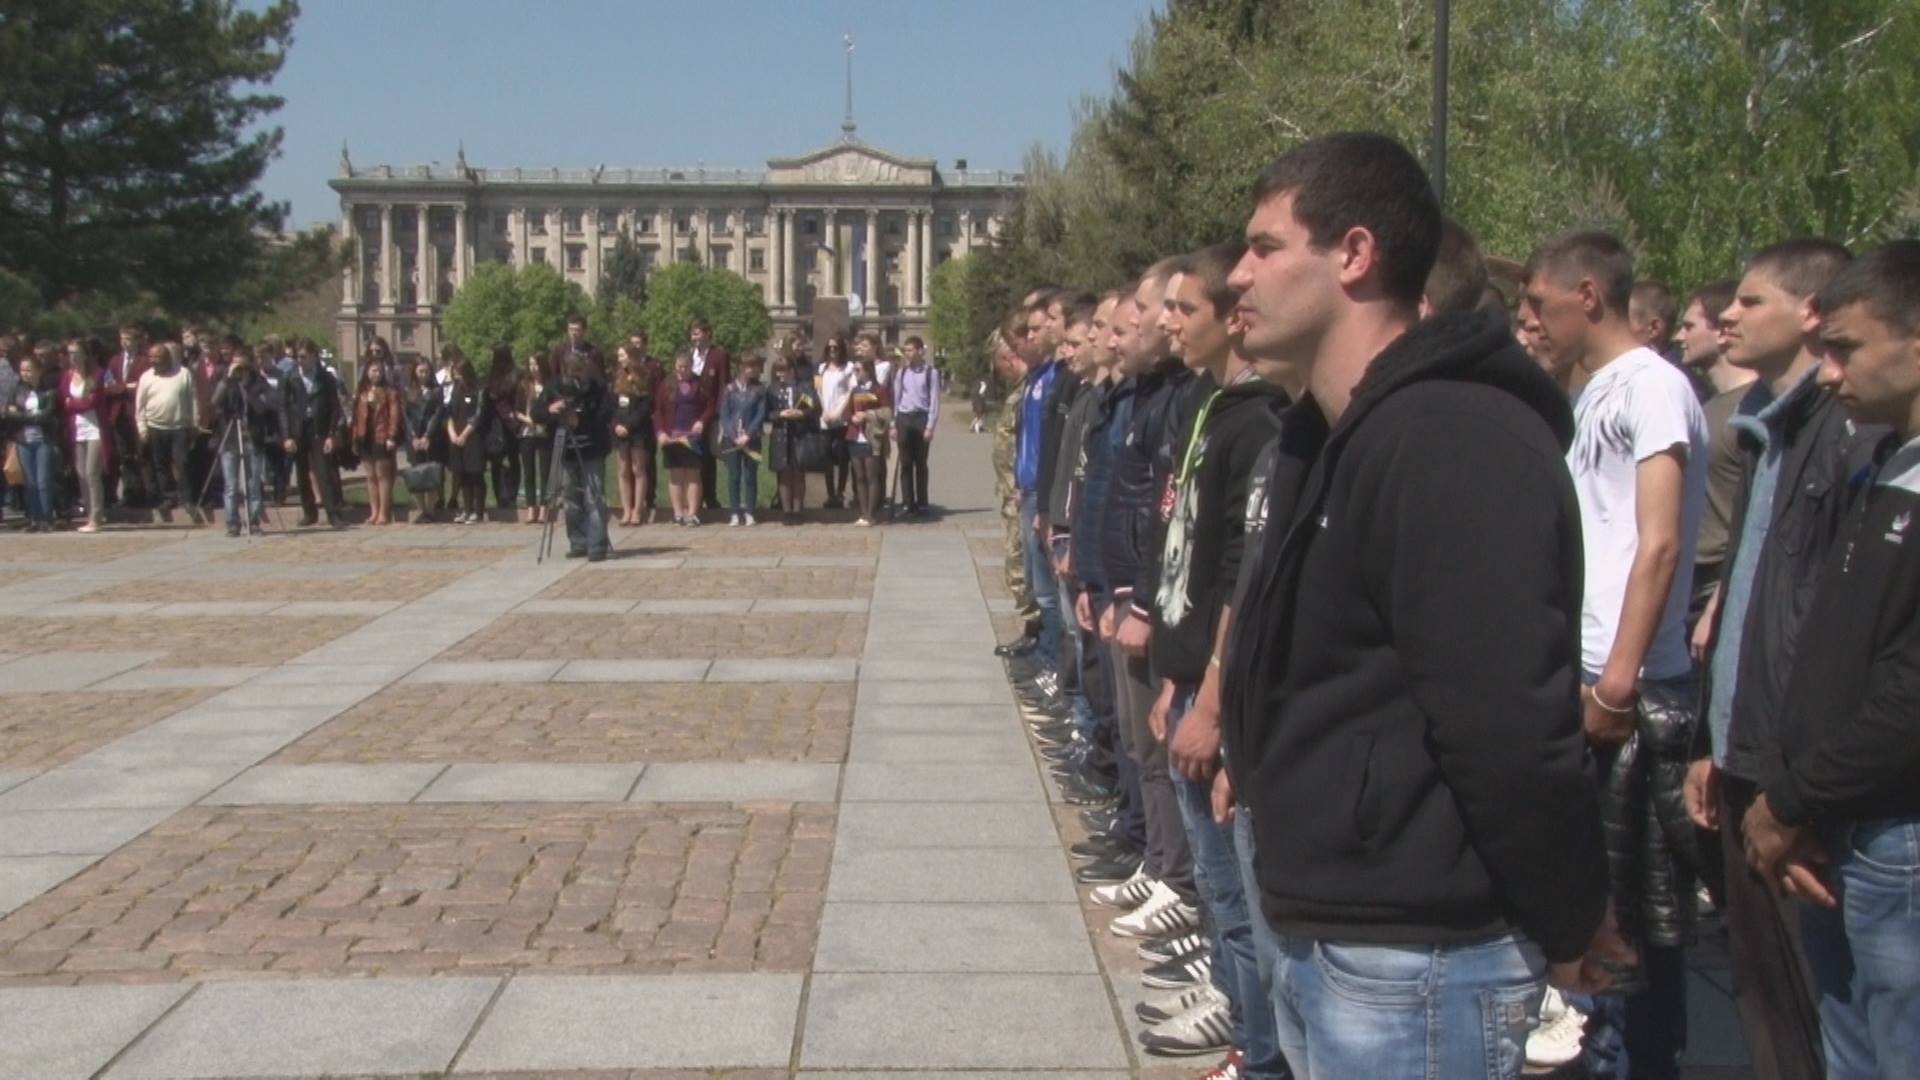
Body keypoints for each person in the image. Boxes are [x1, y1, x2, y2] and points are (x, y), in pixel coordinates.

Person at [1220, 133, 1621, 1080]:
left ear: (1354, 255)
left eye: (1266, 247)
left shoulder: (1449, 435)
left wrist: (1568, 913)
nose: (1238, 274)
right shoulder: (1327, 435)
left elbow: (1508, 723)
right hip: (1332, 931)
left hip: (1419, 960)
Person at [1527, 229, 1708, 1080]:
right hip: (1586, 673)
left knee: (1638, 913)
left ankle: (1637, 1063)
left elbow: (1660, 541)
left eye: (1539, 305)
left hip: (1628, 686)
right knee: (1599, 903)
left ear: (1589, 297)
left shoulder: (1656, 386)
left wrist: (1621, 677)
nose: (1532, 322)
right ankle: (1602, 1049)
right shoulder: (1592, 393)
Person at [1684, 240, 1863, 1080]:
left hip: (1796, 779)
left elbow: (1826, 624)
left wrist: (1795, 785)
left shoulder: (1844, 436)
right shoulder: (1763, 428)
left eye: (1751, 303)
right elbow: (1749, 595)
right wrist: (1713, 747)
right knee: (1764, 1000)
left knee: (1825, 1015)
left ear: (1812, 313)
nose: (1728, 316)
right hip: (1743, 754)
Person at [1745, 240, 1920, 1080]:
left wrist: (1793, 797)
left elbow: (1908, 701)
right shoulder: (1882, 461)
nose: (1829, 371)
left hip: (1896, 840)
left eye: (1846, 347)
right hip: (1837, 829)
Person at [1139, 242, 1293, 1070]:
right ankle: (1245, 1030)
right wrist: (1175, 673)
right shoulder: (1209, 406)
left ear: (1228, 320)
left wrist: (1207, 693)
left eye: (1182, 309)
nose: (1168, 323)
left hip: (1217, 692)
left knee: (1242, 902)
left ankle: (1261, 1053)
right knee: (1221, 892)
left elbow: (1238, 568)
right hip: (1190, 672)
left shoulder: (1258, 417)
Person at [1676, 278, 1752, 632]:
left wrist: (1720, 599)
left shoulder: (1751, 412)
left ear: (1722, 331)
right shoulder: (1707, 406)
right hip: (1689, 576)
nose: (1680, 337)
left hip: (1718, 581)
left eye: (1689, 326)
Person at [542, 350, 612, 561]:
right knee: (571, 498)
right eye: (572, 372)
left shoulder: (597, 387)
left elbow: (606, 413)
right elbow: (537, 412)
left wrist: (581, 421)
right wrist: (552, 409)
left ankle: (597, 544)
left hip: (591, 448)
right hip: (566, 450)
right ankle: (578, 541)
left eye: (580, 371)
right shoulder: (554, 386)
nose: (576, 376)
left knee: (594, 495)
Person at [210, 348, 281, 536]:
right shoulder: (226, 381)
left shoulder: (259, 382)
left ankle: (254, 520)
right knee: (231, 485)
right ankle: (232, 523)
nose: (240, 366)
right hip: (230, 437)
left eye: (243, 362)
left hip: (252, 437)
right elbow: (215, 401)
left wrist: (250, 392)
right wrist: (228, 379)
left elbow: (272, 402)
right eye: (236, 361)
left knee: (253, 483)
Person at [280, 340, 347, 528]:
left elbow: (334, 407)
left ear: (313, 357)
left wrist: (331, 434)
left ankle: (334, 514)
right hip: (298, 429)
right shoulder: (290, 377)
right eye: (297, 357)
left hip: (319, 428)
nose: (300, 361)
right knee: (302, 474)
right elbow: (283, 408)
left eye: (303, 357)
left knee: (324, 472)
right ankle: (309, 512)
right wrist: (287, 436)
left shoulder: (325, 378)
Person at [134, 342, 197, 517]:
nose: (153, 361)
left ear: (168, 358)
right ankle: (168, 497)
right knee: (160, 465)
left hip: (179, 426)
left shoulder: (183, 374)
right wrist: (142, 428)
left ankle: (187, 499)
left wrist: (195, 423)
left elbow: (193, 400)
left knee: (182, 462)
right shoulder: (146, 377)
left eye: (158, 357)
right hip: (155, 426)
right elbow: (140, 406)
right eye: (151, 357)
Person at [656, 351, 713, 527]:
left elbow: (710, 406)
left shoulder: (700, 384)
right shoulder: (666, 384)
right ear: (675, 366)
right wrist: (660, 432)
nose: (682, 370)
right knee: (676, 475)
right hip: (672, 436)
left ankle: (693, 513)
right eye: (679, 367)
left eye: (685, 367)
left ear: (691, 366)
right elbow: (657, 411)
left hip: (692, 437)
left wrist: (702, 422)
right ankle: (678, 513)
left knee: (693, 475)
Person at [60, 340, 110, 533]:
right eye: (70, 352)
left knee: (92, 473)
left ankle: (97, 516)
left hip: (95, 429)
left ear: (85, 354)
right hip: (77, 430)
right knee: (81, 474)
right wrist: (74, 403)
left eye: (77, 352)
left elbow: (92, 402)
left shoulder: (96, 375)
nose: (73, 356)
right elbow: (62, 400)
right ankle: (89, 513)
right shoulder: (67, 376)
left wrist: (73, 403)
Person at [4, 354, 58, 531]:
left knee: (43, 481)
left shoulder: (48, 390)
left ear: (38, 371)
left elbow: (46, 416)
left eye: (28, 370)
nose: (25, 374)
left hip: (43, 440)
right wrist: (29, 416)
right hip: (23, 441)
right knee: (30, 482)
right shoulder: (18, 390)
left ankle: (47, 518)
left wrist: (21, 415)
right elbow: (8, 412)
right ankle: (35, 518)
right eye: (22, 370)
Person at [766, 354, 819, 525]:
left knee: (798, 473)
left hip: (799, 434)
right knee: (784, 473)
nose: (781, 375)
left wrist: (801, 413)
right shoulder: (772, 389)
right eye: (778, 372)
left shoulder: (805, 387)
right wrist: (779, 414)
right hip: (781, 434)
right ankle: (786, 511)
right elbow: (766, 413)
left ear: (791, 371)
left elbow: (815, 408)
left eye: (784, 371)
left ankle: (798, 511)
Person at [352, 357, 403, 526]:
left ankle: (384, 512)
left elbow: (394, 416)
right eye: (373, 370)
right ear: (367, 372)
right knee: (370, 476)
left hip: (382, 436)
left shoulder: (390, 392)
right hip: (365, 437)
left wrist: (391, 436)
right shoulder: (362, 392)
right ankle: (373, 511)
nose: (376, 374)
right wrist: (355, 438)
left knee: (383, 476)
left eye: (379, 370)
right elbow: (356, 417)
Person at [719, 355, 769, 526]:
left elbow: (761, 414)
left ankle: (750, 511)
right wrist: (734, 436)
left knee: (750, 476)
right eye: (749, 366)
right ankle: (734, 512)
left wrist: (748, 434)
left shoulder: (759, 390)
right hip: (731, 439)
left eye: (754, 367)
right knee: (734, 476)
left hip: (751, 438)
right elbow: (724, 415)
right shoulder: (729, 389)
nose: (752, 370)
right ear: (741, 367)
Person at [610, 344, 655, 527]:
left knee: (638, 470)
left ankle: (637, 510)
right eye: (619, 356)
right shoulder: (616, 377)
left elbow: (645, 406)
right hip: (619, 431)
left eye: (623, 355)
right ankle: (626, 510)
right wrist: (616, 425)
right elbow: (612, 404)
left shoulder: (643, 376)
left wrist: (629, 425)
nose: (620, 359)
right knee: (623, 471)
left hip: (637, 431)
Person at [845, 354, 892, 527]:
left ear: (868, 371)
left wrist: (868, 415)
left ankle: (871, 513)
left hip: (872, 438)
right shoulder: (855, 391)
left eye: (858, 370)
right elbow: (847, 412)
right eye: (854, 370)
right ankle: (862, 512)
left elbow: (887, 412)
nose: (855, 373)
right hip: (855, 437)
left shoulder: (879, 390)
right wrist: (852, 418)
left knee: (872, 476)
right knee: (859, 476)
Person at [688, 318, 730, 510]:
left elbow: (723, 385)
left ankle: (710, 498)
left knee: (708, 455)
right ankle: (693, 499)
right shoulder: (689, 355)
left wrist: (721, 413)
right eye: (692, 334)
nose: (694, 337)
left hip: (711, 412)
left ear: (707, 334)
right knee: (693, 455)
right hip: (691, 412)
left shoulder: (718, 355)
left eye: (697, 333)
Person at [444, 358, 491, 524]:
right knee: (462, 474)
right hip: (456, 437)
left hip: (473, 437)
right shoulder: (455, 389)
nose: (455, 374)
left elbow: (478, 415)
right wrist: (452, 433)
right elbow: (449, 413)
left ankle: (477, 512)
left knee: (475, 474)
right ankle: (466, 509)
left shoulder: (478, 390)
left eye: (457, 370)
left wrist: (464, 434)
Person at [401, 359, 446, 524]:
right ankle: (422, 509)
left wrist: (427, 436)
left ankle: (431, 508)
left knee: (432, 472)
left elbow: (437, 414)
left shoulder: (436, 391)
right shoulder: (407, 391)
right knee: (417, 474)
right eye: (420, 371)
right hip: (413, 437)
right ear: (414, 372)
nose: (423, 375)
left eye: (426, 371)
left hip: (432, 437)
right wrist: (413, 437)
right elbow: (404, 416)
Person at [483, 346, 522, 516]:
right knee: (504, 461)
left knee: (504, 461)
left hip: (506, 423)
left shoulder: (511, 376)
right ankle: (506, 496)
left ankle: (505, 495)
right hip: (503, 424)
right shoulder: (497, 376)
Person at [817, 334, 855, 509]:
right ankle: (830, 494)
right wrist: (825, 411)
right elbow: (818, 392)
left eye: (836, 348)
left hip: (841, 420)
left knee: (842, 457)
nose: (832, 351)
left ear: (841, 349)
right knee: (826, 458)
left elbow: (850, 392)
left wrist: (839, 412)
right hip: (825, 419)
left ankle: (840, 493)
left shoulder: (848, 368)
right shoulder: (821, 368)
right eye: (829, 348)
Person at [516, 353, 552, 525]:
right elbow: (516, 411)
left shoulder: (550, 385)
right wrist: (527, 420)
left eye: (536, 364)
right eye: (530, 364)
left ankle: (545, 507)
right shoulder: (524, 386)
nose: (533, 368)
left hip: (544, 432)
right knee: (528, 471)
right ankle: (531, 507)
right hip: (527, 432)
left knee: (545, 471)